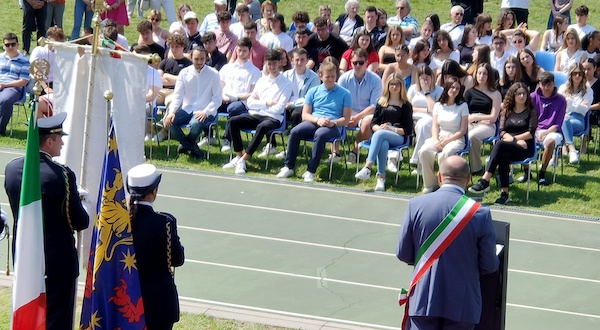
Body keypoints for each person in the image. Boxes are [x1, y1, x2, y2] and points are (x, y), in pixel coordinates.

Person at [5, 112, 90, 330]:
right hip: (56, 260)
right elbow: (78, 221)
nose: (62, 142)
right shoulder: (61, 175)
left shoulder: (12, 169)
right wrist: (84, 204)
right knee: (57, 317)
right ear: (49, 141)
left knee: (27, 308)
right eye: (59, 137)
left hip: (25, 256)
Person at [397, 155, 499, 329]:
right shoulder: (480, 213)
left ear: (439, 176)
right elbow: (489, 265)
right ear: (468, 179)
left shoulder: (415, 205)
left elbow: (404, 253)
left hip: (424, 298)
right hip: (463, 303)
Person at [126, 163, 184, 330]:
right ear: (154, 191)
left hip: (127, 299)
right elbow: (177, 259)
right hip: (158, 302)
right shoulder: (165, 222)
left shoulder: (120, 224)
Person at [276, 61, 352, 182]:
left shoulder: (345, 94)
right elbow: (305, 115)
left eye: (333, 76)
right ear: (320, 76)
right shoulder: (313, 91)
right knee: (295, 131)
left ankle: (310, 170)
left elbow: (346, 119)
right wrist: (317, 120)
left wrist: (334, 122)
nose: (330, 79)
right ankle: (288, 167)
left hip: (333, 126)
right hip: (314, 121)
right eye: (327, 76)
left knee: (320, 134)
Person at [222, 49, 293, 174]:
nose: (272, 67)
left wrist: (259, 103)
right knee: (233, 121)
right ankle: (239, 156)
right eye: (269, 64)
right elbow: (250, 103)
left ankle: (244, 159)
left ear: (279, 63)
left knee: (262, 126)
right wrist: (266, 103)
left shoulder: (287, 83)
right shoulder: (262, 80)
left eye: (274, 63)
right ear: (265, 63)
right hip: (256, 114)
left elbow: (279, 108)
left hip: (274, 118)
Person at [469, 83, 538, 204]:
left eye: (524, 93)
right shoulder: (506, 111)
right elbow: (501, 131)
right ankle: (504, 194)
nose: (522, 96)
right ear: (513, 95)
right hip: (510, 144)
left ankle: (485, 180)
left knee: (500, 145)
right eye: (519, 93)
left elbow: (530, 133)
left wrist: (514, 140)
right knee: (504, 155)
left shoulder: (531, 112)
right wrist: (514, 140)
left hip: (524, 148)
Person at [355, 74, 413, 191]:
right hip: (380, 134)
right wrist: (379, 129)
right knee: (383, 143)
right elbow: (373, 123)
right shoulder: (381, 102)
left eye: (397, 84)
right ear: (388, 86)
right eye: (392, 84)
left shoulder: (406, 105)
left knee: (381, 135)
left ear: (401, 86)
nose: (394, 87)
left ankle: (368, 166)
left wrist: (390, 129)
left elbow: (407, 130)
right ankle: (381, 178)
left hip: (398, 135)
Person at [164, 46, 222, 159]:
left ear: (206, 58)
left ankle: (186, 145)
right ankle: (191, 146)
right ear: (191, 58)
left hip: (206, 111)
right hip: (187, 108)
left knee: (196, 123)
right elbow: (177, 96)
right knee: (168, 121)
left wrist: (206, 112)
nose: (199, 62)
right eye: (196, 59)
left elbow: (217, 99)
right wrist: (171, 112)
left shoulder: (214, 74)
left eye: (202, 59)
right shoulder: (184, 73)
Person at [418, 76, 468, 193]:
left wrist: (448, 140)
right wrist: (435, 140)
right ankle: (430, 184)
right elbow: (435, 126)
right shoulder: (438, 105)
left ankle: (444, 185)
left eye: (457, 88)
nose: (454, 90)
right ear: (446, 88)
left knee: (445, 154)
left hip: (456, 138)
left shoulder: (462, 106)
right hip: (439, 136)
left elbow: (463, 130)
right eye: (452, 87)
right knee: (424, 151)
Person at [210, 37, 261, 152]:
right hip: (224, 98)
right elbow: (219, 86)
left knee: (233, 108)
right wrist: (221, 96)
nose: (241, 53)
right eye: (239, 50)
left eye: (244, 50)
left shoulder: (254, 71)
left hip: (242, 102)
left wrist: (236, 97)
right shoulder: (227, 68)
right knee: (208, 103)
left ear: (249, 51)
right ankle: (207, 135)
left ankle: (227, 139)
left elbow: (253, 93)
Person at [338, 49, 383, 164]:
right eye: (354, 63)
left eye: (361, 63)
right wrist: (347, 116)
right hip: (346, 111)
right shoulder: (344, 79)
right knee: (331, 115)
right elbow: (338, 101)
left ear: (367, 62)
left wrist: (357, 117)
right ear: (351, 63)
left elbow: (374, 105)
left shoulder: (376, 80)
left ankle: (355, 151)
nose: (357, 65)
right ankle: (335, 153)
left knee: (368, 122)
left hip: (366, 113)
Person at [529, 71, 566, 185]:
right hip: (535, 129)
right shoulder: (532, 97)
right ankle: (526, 172)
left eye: (549, 84)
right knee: (520, 139)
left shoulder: (561, 100)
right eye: (544, 84)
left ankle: (542, 173)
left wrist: (544, 133)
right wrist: (534, 131)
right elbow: (529, 118)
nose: (546, 88)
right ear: (539, 84)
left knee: (550, 142)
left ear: (554, 84)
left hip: (552, 131)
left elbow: (558, 124)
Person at [464, 63, 502, 175]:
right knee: (459, 133)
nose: (481, 76)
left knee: (473, 136)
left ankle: (475, 168)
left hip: (488, 125)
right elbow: (464, 113)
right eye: (479, 73)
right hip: (470, 122)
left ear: (489, 75)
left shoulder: (495, 94)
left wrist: (477, 117)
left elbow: (493, 117)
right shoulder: (469, 92)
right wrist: (472, 118)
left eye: (485, 73)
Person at [407, 65, 443, 169]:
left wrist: (427, 92)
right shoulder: (413, 89)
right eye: (422, 78)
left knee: (422, 126)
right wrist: (424, 110)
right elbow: (408, 108)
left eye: (427, 78)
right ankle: (421, 161)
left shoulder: (439, 90)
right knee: (421, 125)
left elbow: (433, 110)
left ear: (432, 77)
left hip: (431, 118)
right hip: (413, 117)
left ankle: (418, 161)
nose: (424, 81)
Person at [558, 63, 593, 164]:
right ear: (570, 74)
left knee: (564, 120)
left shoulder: (588, 91)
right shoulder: (562, 88)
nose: (577, 76)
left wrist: (569, 101)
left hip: (578, 120)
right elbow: (560, 105)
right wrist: (578, 104)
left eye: (580, 74)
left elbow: (584, 109)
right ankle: (572, 149)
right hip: (563, 117)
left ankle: (557, 154)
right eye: (575, 73)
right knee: (564, 119)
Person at [30, 26, 66, 118]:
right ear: (48, 39)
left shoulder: (63, 53)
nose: (58, 44)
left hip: (56, 84)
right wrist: (45, 88)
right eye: (56, 40)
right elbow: (36, 71)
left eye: (61, 41)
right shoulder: (39, 51)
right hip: (39, 83)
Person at [0, 33, 30, 136]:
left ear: (17, 45)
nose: (10, 47)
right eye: (8, 45)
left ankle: (1, 128)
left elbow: (23, 81)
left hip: (14, 88)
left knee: (5, 100)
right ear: (4, 46)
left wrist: (4, 85)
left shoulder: (25, 61)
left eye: (13, 44)